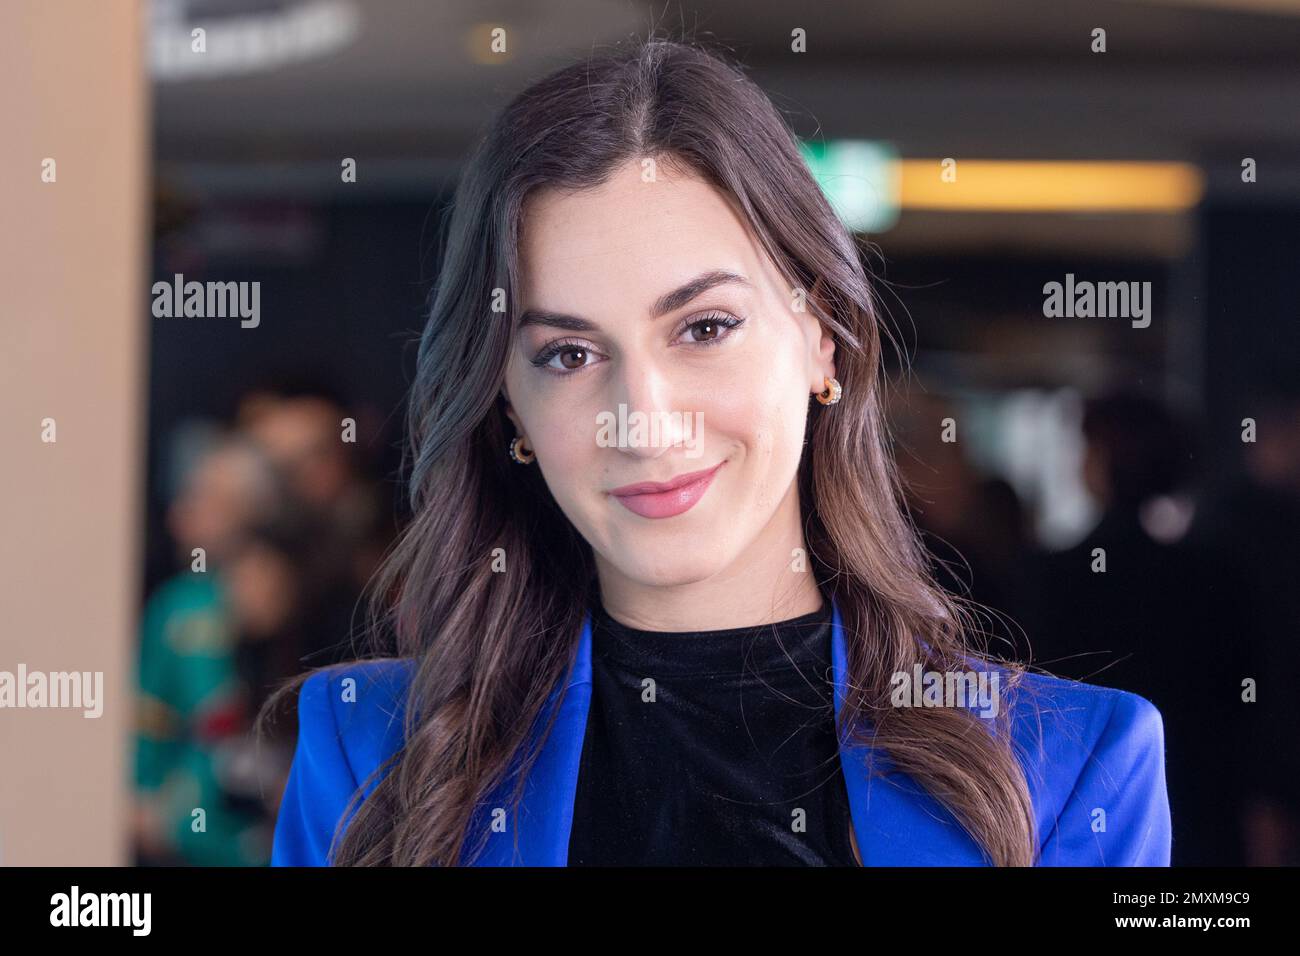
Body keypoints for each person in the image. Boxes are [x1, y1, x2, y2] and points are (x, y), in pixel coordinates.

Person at [265, 36, 1170, 867]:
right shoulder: (366, 758)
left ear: (822, 338)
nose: (645, 420)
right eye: (570, 355)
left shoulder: (1066, 772)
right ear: (509, 406)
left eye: (704, 327)